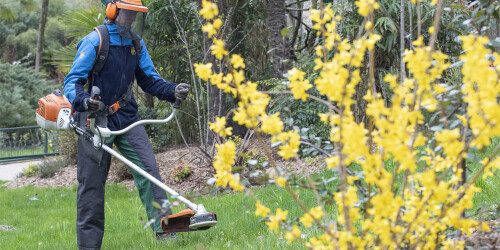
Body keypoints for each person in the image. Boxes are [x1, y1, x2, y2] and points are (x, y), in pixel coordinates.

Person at [63, 0, 189, 248]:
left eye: (136, 14)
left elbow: (150, 81)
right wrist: (84, 101)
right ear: (112, 11)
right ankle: (89, 246)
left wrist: (173, 90)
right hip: (93, 119)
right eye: (128, 12)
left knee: (149, 172)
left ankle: (165, 231)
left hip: (127, 118)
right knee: (91, 185)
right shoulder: (94, 41)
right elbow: (72, 81)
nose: (132, 18)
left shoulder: (135, 43)